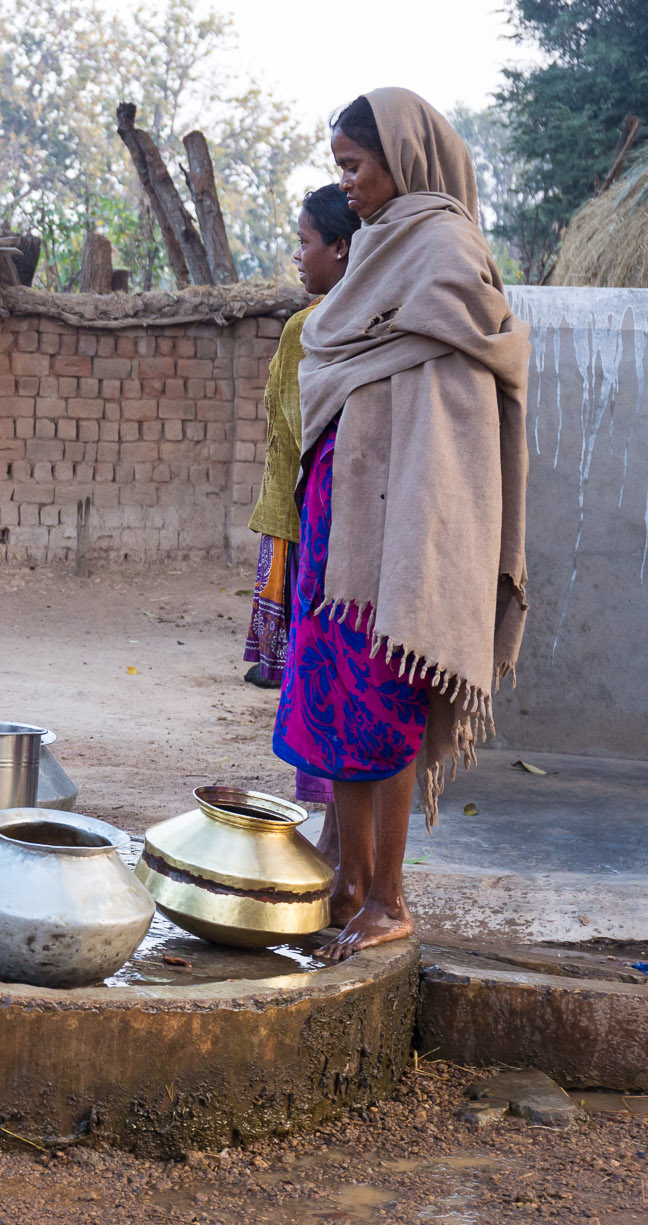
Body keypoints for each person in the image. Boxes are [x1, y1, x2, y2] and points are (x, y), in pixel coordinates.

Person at [280, 89, 529, 961]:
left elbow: (457, 404)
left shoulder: (445, 246)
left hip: (404, 521)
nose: (344, 184)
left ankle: (390, 896)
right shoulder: (383, 241)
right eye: (340, 167)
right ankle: (347, 876)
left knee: (385, 702)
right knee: (334, 694)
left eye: (355, 165)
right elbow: (346, 359)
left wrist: (428, 522)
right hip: (342, 519)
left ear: (406, 157)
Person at [245, 185, 361, 857]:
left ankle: (335, 847)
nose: (297, 255)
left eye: (306, 242)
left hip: (305, 527)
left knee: (322, 681)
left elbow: (290, 434)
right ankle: (337, 843)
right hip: (314, 523)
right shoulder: (371, 322)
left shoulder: (310, 329)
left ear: (342, 247)